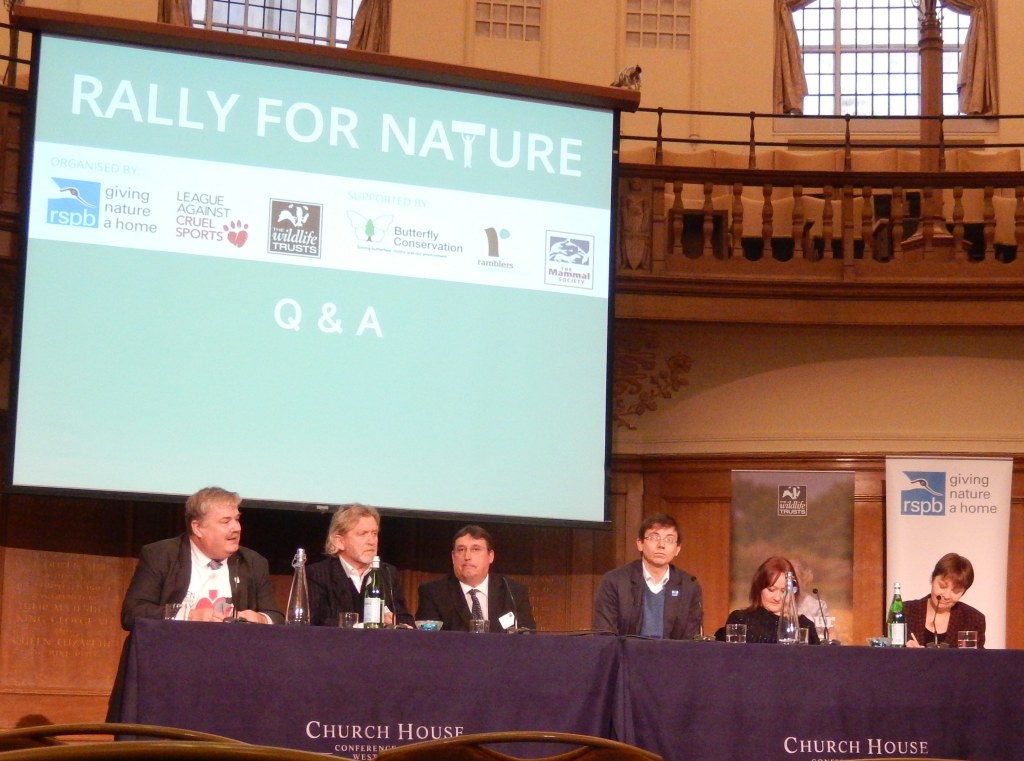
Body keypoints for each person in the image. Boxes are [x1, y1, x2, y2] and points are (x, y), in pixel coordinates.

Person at [120, 486, 283, 628]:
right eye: (225, 522)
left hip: (231, 653)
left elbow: (275, 617)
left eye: (237, 519)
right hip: (173, 650)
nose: (236, 528)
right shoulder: (161, 555)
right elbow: (133, 613)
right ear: (197, 528)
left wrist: (261, 619)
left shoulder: (253, 562)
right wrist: (189, 616)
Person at [592, 513, 703, 639]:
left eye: (669, 539)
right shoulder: (615, 581)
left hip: (672, 657)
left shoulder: (689, 586)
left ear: (677, 549)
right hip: (625, 656)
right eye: (654, 538)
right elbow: (605, 635)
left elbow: (691, 639)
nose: (661, 545)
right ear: (640, 543)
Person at [306, 504, 413, 627]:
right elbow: (318, 622)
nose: (371, 541)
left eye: (374, 533)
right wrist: (368, 623)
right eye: (363, 534)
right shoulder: (318, 574)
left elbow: (405, 619)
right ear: (339, 541)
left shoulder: (387, 573)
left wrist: (395, 621)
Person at [416, 524, 536, 633]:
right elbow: (428, 643)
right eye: (461, 550)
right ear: (453, 557)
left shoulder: (513, 592)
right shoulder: (433, 593)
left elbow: (527, 638)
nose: (467, 556)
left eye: (475, 549)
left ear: (490, 556)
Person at [714, 555, 821, 644]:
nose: (777, 597)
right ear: (759, 588)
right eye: (771, 590)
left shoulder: (804, 626)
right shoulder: (740, 620)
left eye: (784, 591)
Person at [905, 552, 986, 648]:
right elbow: (889, 654)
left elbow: (975, 660)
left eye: (956, 591)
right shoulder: (906, 611)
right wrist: (907, 652)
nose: (947, 596)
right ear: (932, 579)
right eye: (942, 586)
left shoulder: (972, 619)